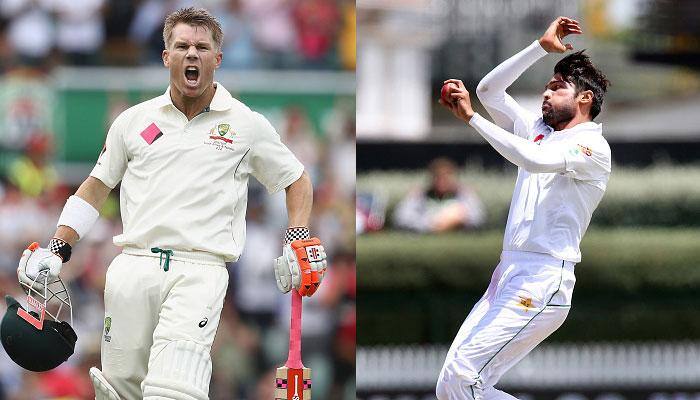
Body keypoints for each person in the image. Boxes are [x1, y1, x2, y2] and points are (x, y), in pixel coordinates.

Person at [15, 7, 326, 400]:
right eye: (182, 46)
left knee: (173, 392)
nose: (191, 54)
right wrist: (58, 247)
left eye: (201, 47)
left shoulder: (246, 124)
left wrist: (297, 235)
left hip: (198, 271)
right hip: (132, 269)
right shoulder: (133, 121)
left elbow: (295, 179)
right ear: (166, 57)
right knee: (117, 391)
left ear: (218, 58)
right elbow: (96, 186)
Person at [436, 17, 611, 399]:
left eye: (558, 88)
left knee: (465, 378)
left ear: (585, 99)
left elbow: (533, 160)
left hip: (544, 278)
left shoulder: (592, 148)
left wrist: (472, 119)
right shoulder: (539, 130)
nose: (546, 95)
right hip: (509, 271)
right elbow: (488, 89)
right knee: (452, 384)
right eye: (546, 87)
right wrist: (539, 48)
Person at [393, 157, 485, 233]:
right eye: (438, 177)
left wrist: (458, 221)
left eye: (446, 177)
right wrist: (433, 225)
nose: (442, 182)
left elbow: (478, 218)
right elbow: (401, 219)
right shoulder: (420, 195)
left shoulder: (464, 195)